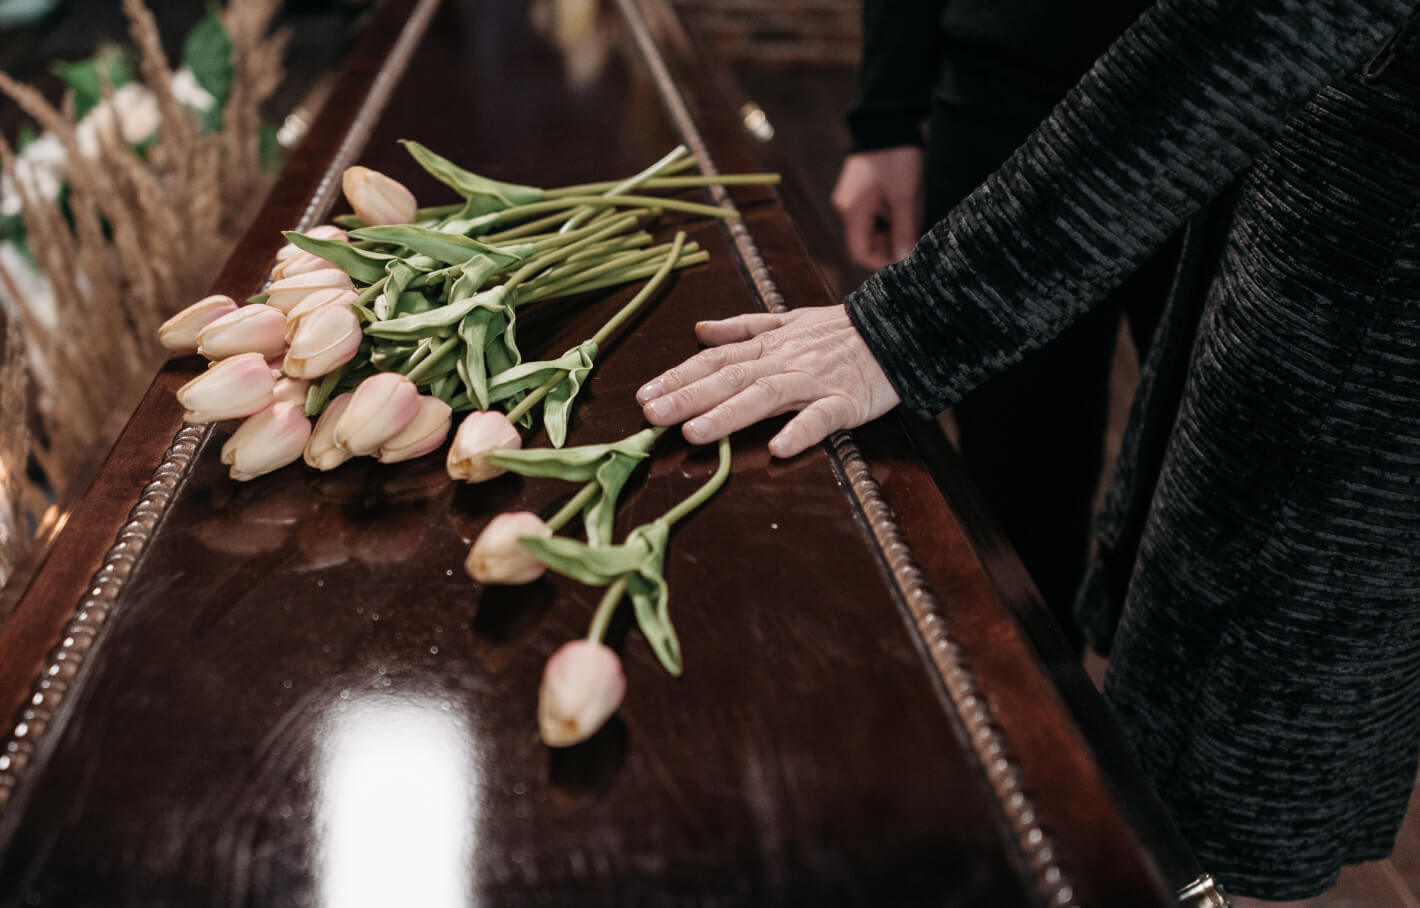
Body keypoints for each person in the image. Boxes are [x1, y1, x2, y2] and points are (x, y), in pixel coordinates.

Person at [635, 0, 1420, 901]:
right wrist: (890, 115)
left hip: (1334, 213)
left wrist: (909, 325)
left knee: (1240, 739)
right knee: (1034, 518)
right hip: (1120, 101)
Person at [831, 0, 1177, 646]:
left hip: (1251, 107)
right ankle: (1034, 725)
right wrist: (886, 114)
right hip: (1012, 91)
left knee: (1210, 504)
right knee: (1017, 492)